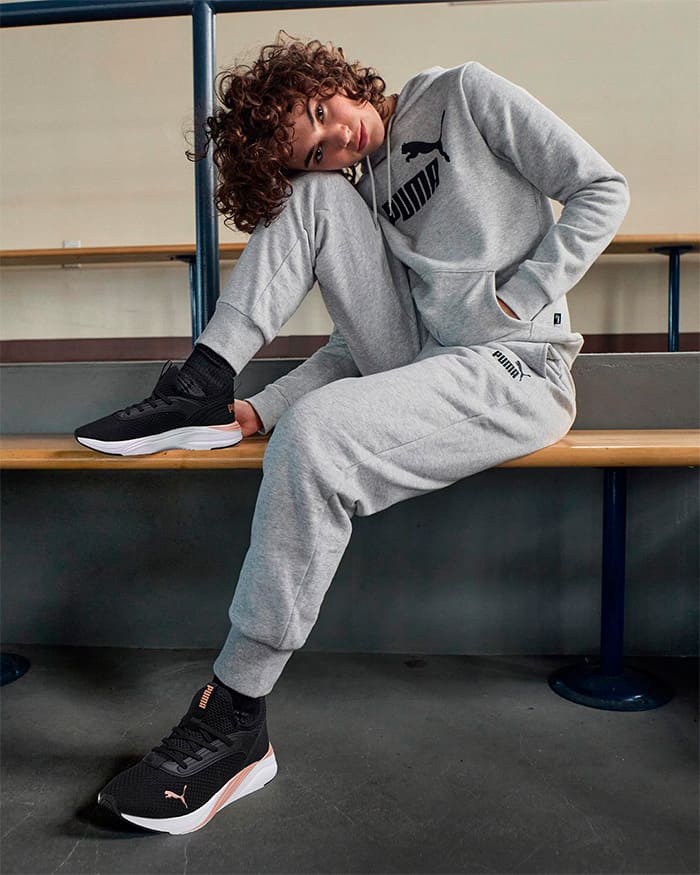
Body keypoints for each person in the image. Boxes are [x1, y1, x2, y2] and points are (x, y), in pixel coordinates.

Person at [75, 35, 629, 834]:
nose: (340, 135)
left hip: (517, 365)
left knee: (316, 437)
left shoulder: (463, 95)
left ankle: (236, 712)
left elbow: (602, 188)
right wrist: (261, 408)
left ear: (330, 77)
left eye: (320, 110)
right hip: (427, 363)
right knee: (314, 202)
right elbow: (356, 345)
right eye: (317, 147)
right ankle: (204, 379)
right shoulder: (355, 187)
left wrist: (522, 295)